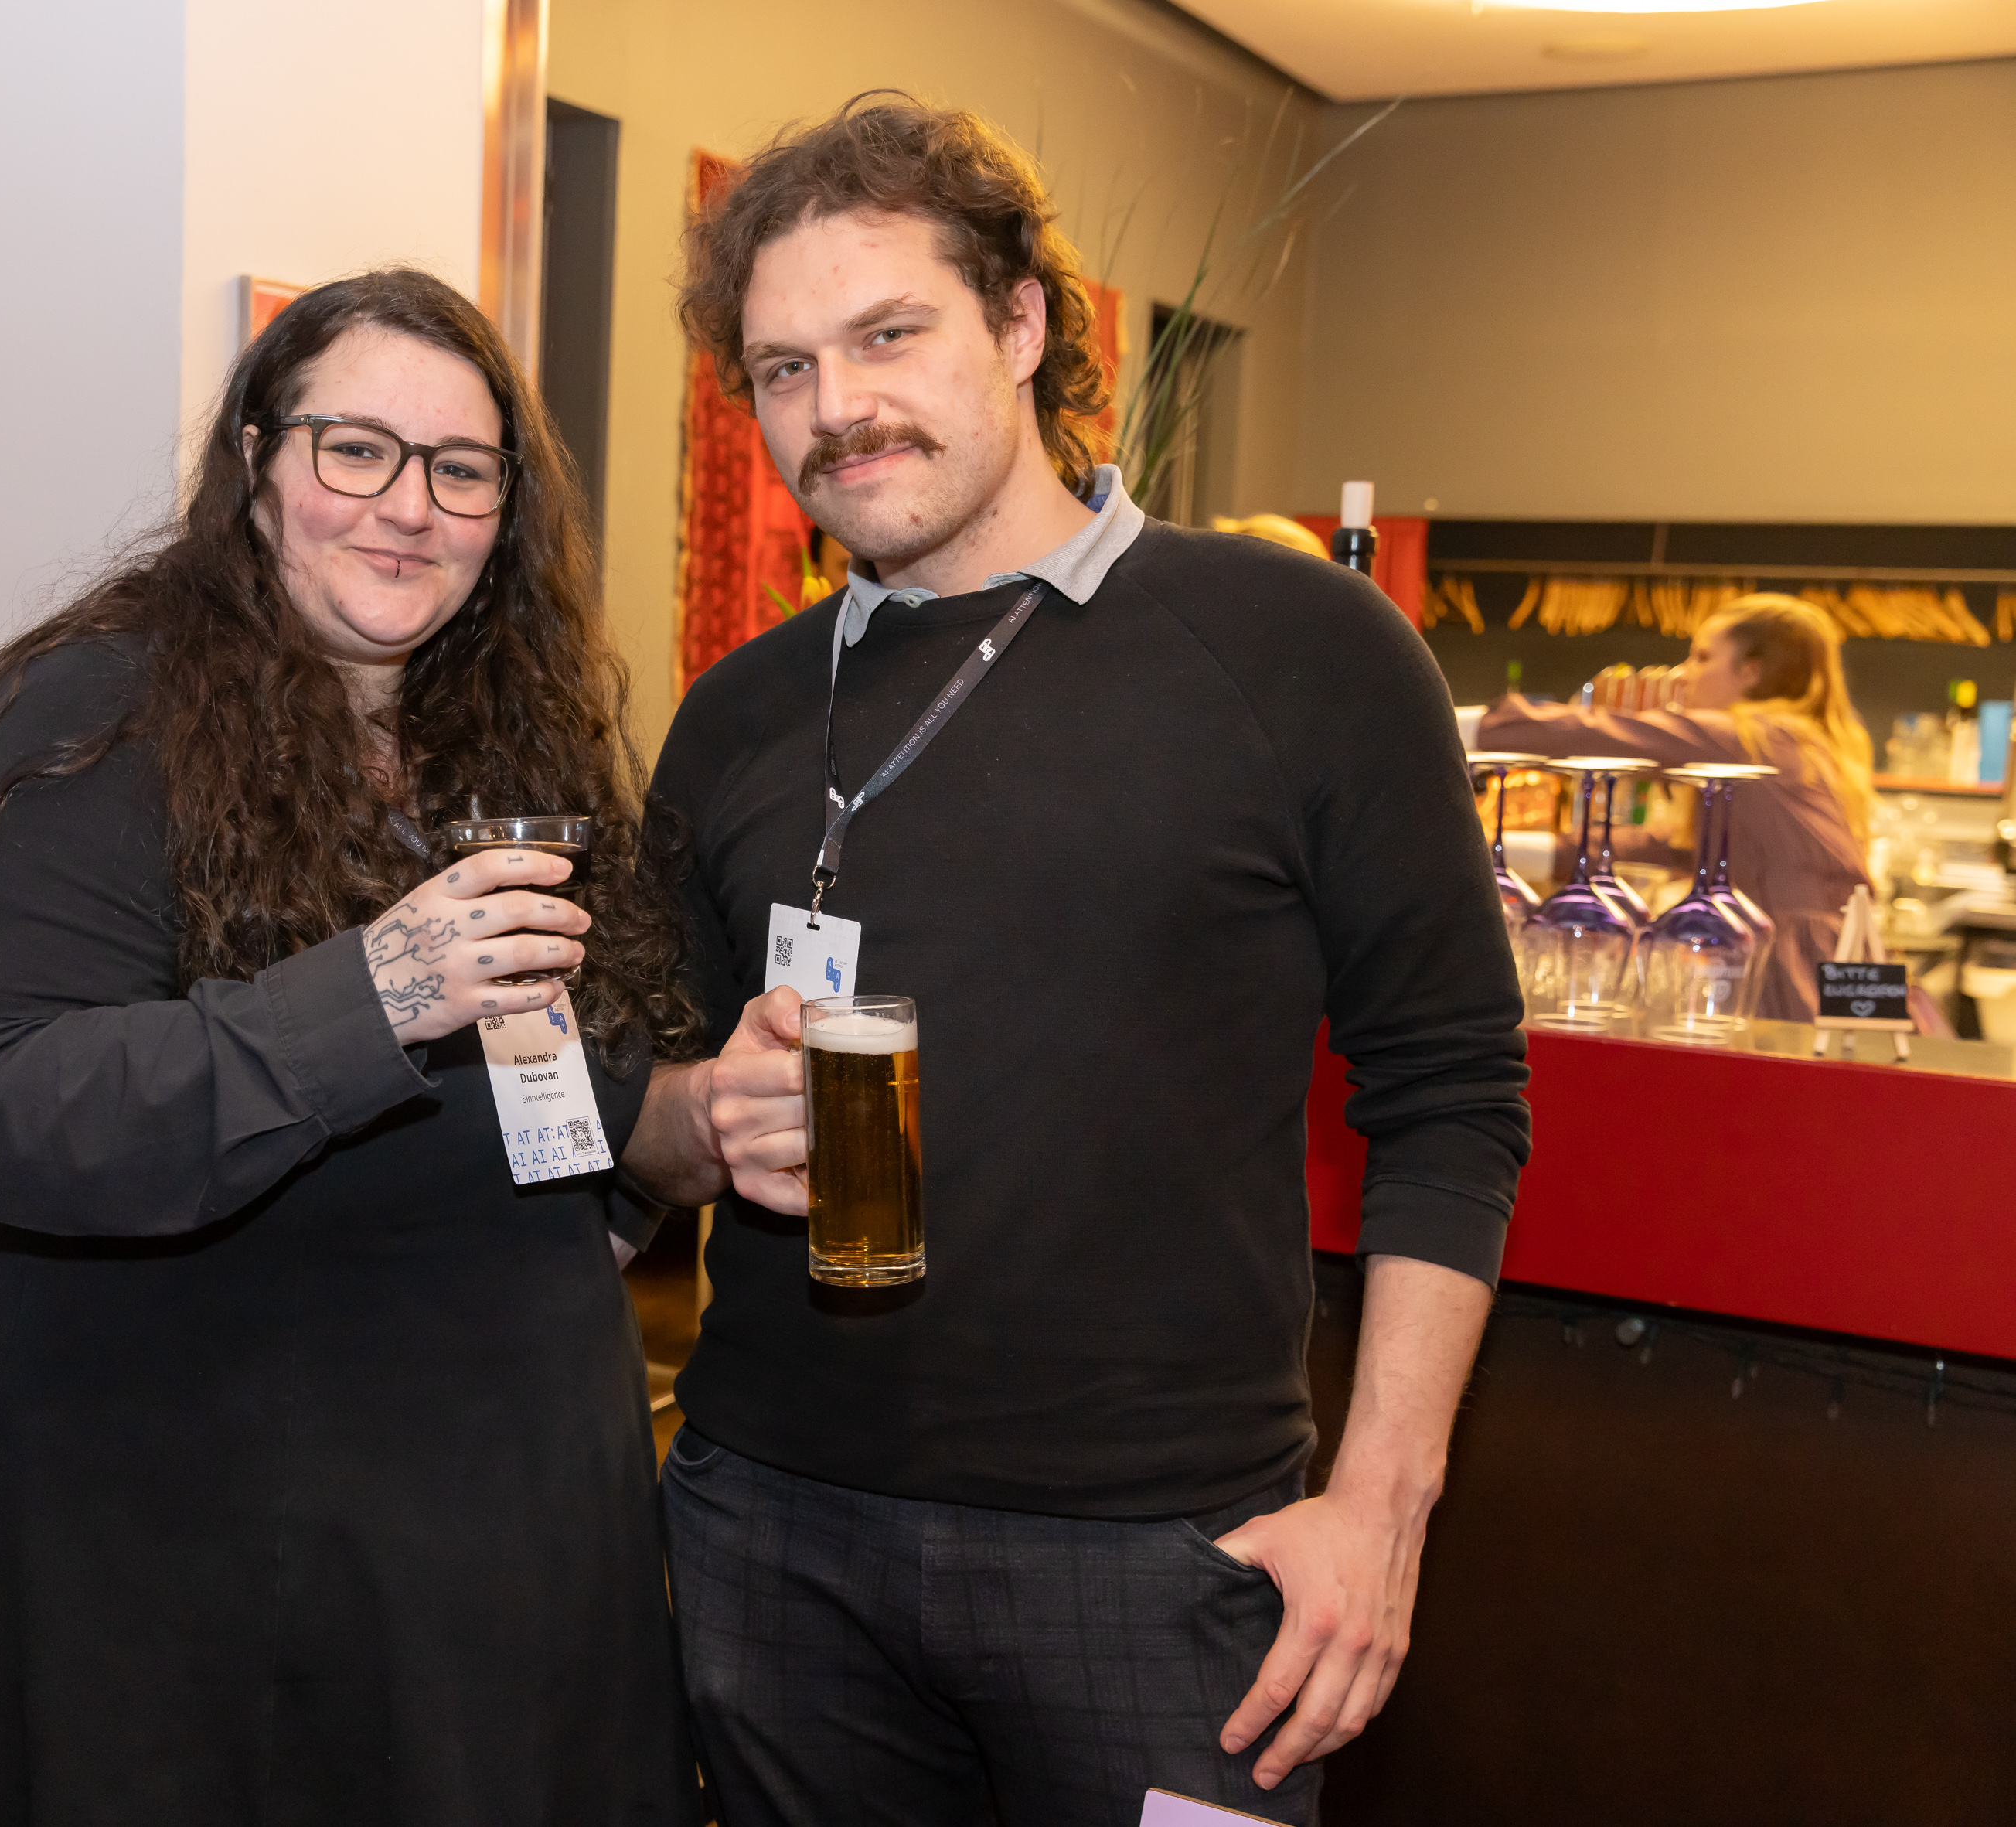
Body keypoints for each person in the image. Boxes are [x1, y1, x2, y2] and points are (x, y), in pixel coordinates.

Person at [619, 98, 1530, 1824]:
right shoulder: (738, 712)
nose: (835, 405)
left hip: (1163, 1558)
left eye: (888, 334)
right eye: (784, 367)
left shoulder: (1302, 649)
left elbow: (1454, 1096)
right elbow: (646, 1109)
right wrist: (699, 1114)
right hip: (769, 1531)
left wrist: (1380, 1505)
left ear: (1023, 322)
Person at [0, 268, 701, 1826]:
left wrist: (679, 1135)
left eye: (461, 469)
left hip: (481, 1531)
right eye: (354, 450)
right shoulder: (94, 714)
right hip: (179, 1553)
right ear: (255, 461)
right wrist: (371, 990)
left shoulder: (505, 731)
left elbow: (561, 1068)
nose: (409, 506)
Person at [1481, 593, 1876, 1021]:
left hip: (1796, 966)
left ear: (1752, 672)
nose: (1684, 674)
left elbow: (1612, 734)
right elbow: (1676, 848)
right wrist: (1508, 849)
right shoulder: (1803, 743)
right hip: (1847, 963)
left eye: (1702, 658)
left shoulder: (1750, 737)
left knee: (1791, 1063)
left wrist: (1469, 726)